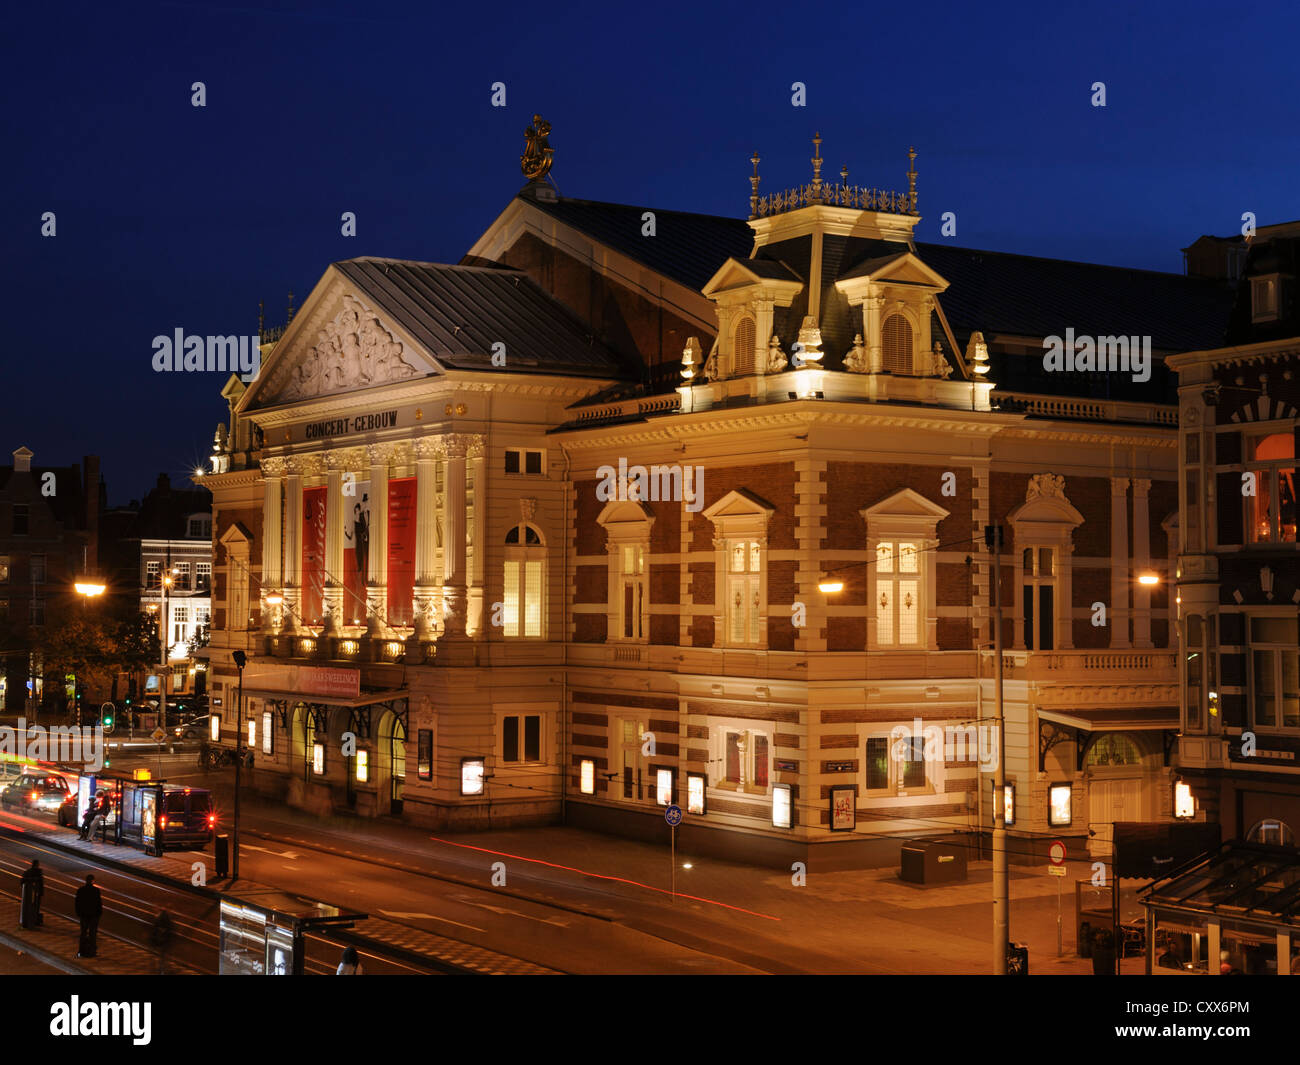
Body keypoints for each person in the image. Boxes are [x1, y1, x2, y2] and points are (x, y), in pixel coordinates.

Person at [74, 874, 103, 958]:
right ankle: (92, 951)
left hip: (83, 915)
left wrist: (78, 913)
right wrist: (99, 914)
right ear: (93, 881)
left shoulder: (81, 890)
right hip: (93, 915)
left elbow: (77, 902)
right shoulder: (96, 890)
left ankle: (81, 951)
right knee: (92, 933)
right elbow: (99, 903)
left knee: (83, 933)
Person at [19, 860, 44, 929]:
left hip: (29, 893)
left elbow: (22, 881)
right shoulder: (39, 873)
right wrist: (41, 892)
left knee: (29, 906)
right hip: (36, 893)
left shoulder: (27, 872)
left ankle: (31, 920)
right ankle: (34, 920)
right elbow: (40, 882)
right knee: (36, 907)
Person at [150, 909, 174, 975]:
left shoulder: (160, 918)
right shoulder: (166, 919)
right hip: (164, 941)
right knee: (163, 957)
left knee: (160, 957)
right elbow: (169, 930)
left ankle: (160, 970)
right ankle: (162, 970)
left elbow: (154, 930)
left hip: (160, 941)